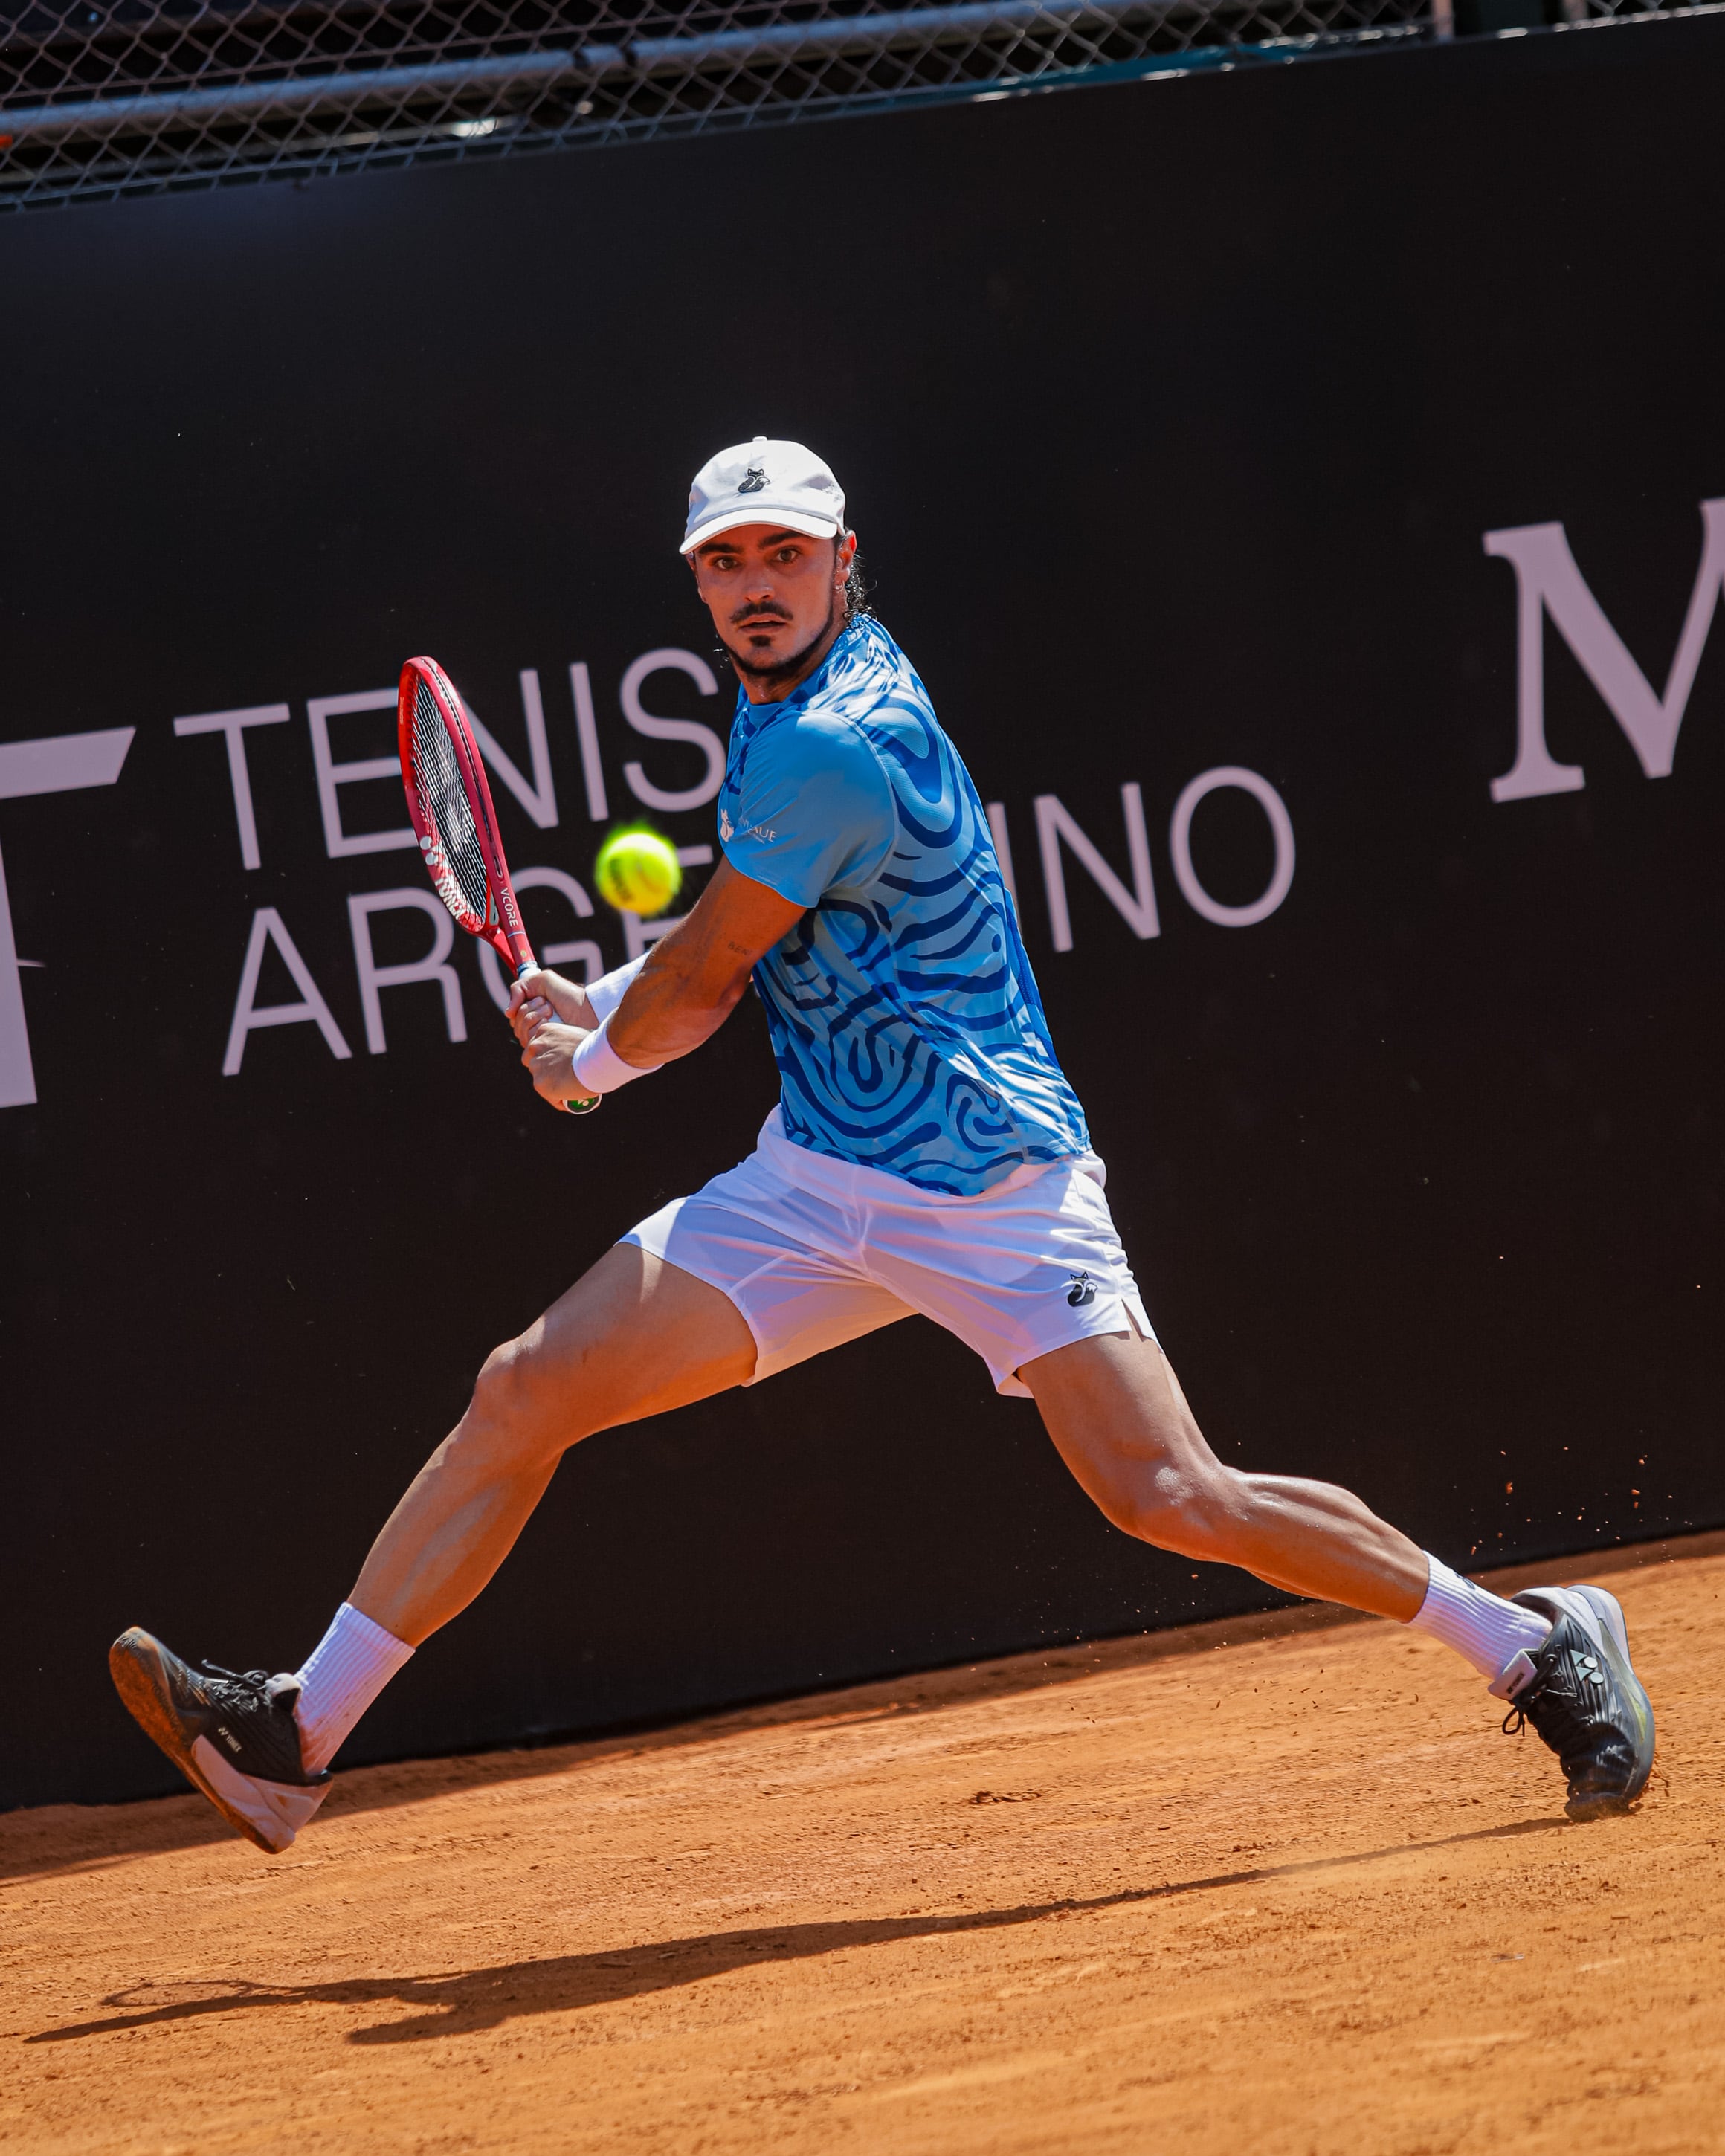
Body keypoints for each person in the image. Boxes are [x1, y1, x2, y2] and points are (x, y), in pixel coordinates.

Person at [111, 436, 1655, 1853]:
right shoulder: (788, 696)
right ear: (700, 582)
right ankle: (294, 1733)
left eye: (784, 556)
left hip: (991, 1181)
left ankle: (1531, 1643)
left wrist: (590, 1059)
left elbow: (708, 976)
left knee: (1168, 1493)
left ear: (846, 560)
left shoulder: (832, 743)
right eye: (726, 562)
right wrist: (599, 1005)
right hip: (821, 1176)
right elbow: (747, 949)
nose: (755, 586)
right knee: (525, 1387)